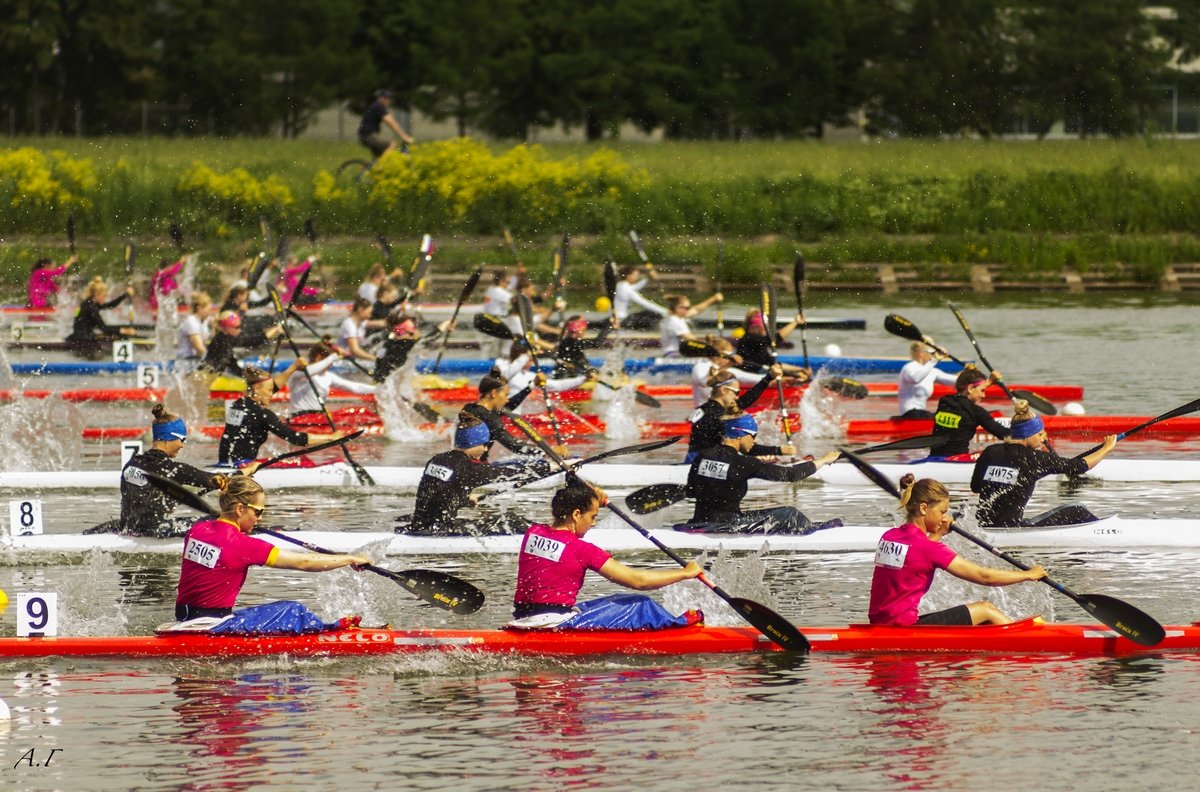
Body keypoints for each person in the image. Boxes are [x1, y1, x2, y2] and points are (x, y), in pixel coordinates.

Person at [174, 477, 369, 623]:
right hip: (214, 622)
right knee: (293, 610)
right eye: (258, 512)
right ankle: (334, 632)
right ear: (240, 509)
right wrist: (349, 558)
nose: (260, 519)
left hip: (184, 615)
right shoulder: (243, 545)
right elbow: (304, 563)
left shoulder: (197, 530)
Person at [511, 481, 704, 629]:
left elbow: (569, 504)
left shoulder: (534, 532)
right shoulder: (583, 549)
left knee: (615, 600)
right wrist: (685, 573)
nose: (593, 523)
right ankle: (678, 627)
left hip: (523, 617)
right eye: (593, 516)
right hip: (554, 623)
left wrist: (591, 497)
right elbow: (639, 581)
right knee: (640, 604)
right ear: (577, 514)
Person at [868, 474, 1047, 626]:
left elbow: (914, 560)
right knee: (986, 609)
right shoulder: (930, 549)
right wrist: (1028, 575)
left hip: (882, 624)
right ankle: (1027, 643)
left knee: (977, 622)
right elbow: (984, 577)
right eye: (942, 511)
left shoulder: (889, 536)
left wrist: (937, 535)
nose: (944, 517)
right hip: (905, 628)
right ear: (923, 508)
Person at [682, 411, 841, 533]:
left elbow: (690, 491)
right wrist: (823, 460)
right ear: (740, 435)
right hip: (727, 526)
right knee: (789, 513)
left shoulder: (702, 456)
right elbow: (790, 475)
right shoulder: (744, 462)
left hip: (699, 521)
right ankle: (812, 533)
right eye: (753, 436)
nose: (754, 441)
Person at [971, 401, 1118, 527]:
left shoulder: (990, 451)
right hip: (1009, 529)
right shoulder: (1036, 459)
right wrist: (1106, 449)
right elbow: (1079, 467)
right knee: (1076, 511)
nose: (1044, 438)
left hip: (982, 525)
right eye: (1040, 434)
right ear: (1027, 435)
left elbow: (976, 487)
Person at [87, 406, 224, 537]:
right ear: (169, 438)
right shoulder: (172, 469)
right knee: (219, 520)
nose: (182, 445)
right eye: (182, 440)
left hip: (127, 526)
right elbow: (211, 479)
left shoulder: (132, 463)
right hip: (155, 531)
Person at [400, 419, 531, 536]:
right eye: (484, 444)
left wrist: (464, 498)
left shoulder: (436, 459)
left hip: (419, 524)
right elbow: (505, 473)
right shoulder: (468, 468)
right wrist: (543, 469)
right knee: (511, 519)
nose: (486, 449)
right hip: (441, 530)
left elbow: (440, 494)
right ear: (474, 443)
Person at [218, 366, 330, 469]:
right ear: (256, 388)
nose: (272, 395)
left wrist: (294, 367)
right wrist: (331, 438)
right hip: (243, 467)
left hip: (225, 463)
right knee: (301, 462)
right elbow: (294, 438)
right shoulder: (263, 414)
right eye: (270, 391)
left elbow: (269, 387)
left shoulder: (237, 404)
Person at [686, 367, 790, 463]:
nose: (737, 397)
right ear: (724, 390)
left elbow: (747, 399)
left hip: (693, 460)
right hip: (705, 463)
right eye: (736, 392)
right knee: (765, 460)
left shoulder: (704, 409)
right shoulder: (720, 414)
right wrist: (778, 450)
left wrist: (768, 378)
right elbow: (746, 447)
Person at [459, 371, 568, 462]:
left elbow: (508, 406)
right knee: (537, 466)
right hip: (477, 469)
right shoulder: (490, 418)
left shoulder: (470, 408)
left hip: (462, 462)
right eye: (506, 395)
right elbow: (514, 446)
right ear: (493, 393)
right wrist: (549, 451)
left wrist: (532, 385)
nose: (506, 399)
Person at [930, 367, 1011, 459]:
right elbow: (1004, 434)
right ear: (971, 388)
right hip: (956, 461)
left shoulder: (944, 402)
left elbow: (968, 393)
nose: (983, 395)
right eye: (982, 390)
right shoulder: (976, 411)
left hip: (933, 458)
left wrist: (989, 381)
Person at [287, 341, 377, 418]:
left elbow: (356, 387)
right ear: (319, 357)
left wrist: (379, 389)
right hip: (298, 418)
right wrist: (334, 356)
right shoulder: (299, 373)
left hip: (318, 419)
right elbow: (309, 372)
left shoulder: (328, 376)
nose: (331, 365)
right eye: (330, 362)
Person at [64, 277, 137, 356]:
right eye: (104, 296)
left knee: (113, 335)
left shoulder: (89, 302)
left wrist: (125, 295)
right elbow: (105, 329)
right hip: (83, 340)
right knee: (117, 337)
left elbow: (110, 305)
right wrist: (123, 331)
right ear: (97, 295)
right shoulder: (91, 308)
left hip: (81, 336)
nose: (105, 298)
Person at [734, 310, 811, 381]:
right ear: (754, 327)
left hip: (763, 372)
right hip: (753, 377)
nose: (766, 329)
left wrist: (801, 369)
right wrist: (796, 322)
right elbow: (775, 338)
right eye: (764, 326)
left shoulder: (761, 342)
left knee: (802, 375)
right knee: (800, 378)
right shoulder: (749, 338)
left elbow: (774, 365)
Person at [689, 337, 759, 408]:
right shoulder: (700, 367)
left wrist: (769, 376)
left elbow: (757, 379)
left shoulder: (729, 371)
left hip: (721, 414)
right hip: (703, 415)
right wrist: (728, 365)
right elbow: (705, 382)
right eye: (730, 355)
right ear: (721, 354)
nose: (732, 358)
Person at [896, 341, 958, 419]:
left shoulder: (932, 371)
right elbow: (916, 378)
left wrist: (971, 375)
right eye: (932, 352)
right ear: (921, 353)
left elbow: (956, 380)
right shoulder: (909, 367)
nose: (933, 354)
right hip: (909, 414)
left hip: (921, 414)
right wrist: (934, 360)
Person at [660, 292, 722, 356]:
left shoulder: (676, 317)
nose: (689, 310)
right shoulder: (674, 321)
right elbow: (691, 339)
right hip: (673, 354)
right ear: (678, 308)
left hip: (677, 352)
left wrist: (714, 299)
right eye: (687, 308)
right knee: (712, 351)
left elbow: (696, 310)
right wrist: (711, 342)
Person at [357, 89, 414, 159]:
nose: (388, 100)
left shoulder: (377, 107)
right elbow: (392, 123)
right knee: (391, 145)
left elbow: (392, 120)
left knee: (379, 157)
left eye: (390, 98)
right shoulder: (378, 107)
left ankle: (371, 168)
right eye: (386, 98)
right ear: (380, 98)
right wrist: (404, 136)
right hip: (368, 136)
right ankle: (381, 165)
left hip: (365, 136)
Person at [613, 264, 667, 330]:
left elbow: (637, 286)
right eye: (636, 275)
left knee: (649, 314)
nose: (637, 277)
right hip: (621, 320)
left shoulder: (621, 285)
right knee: (653, 315)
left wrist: (648, 278)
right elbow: (645, 303)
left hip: (621, 318)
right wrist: (667, 312)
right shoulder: (625, 288)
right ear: (628, 276)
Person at [178, 292, 216, 362]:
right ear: (200, 308)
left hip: (196, 358)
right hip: (187, 360)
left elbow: (218, 323)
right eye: (208, 310)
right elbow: (199, 348)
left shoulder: (204, 319)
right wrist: (213, 359)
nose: (210, 312)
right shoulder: (191, 322)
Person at [337, 298, 376, 363]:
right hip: (344, 361)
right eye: (368, 313)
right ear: (360, 310)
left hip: (355, 359)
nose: (370, 316)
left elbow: (381, 323)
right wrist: (374, 358)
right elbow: (354, 350)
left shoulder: (361, 322)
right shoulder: (349, 325)